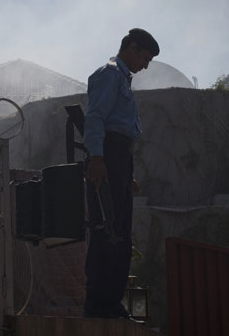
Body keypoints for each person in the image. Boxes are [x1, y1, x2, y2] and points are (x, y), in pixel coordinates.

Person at [82, 28, 159, 318]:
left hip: (120, 157)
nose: (145, 65)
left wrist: (125, 173)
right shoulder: (110, 74)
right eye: (145, 57)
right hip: (109, 152)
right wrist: (98, 158)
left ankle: (111, 302)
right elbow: (96, 118)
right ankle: (98, 303)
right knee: (107, 228)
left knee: (121, 233)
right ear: (132, 48)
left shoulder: (122, 79)